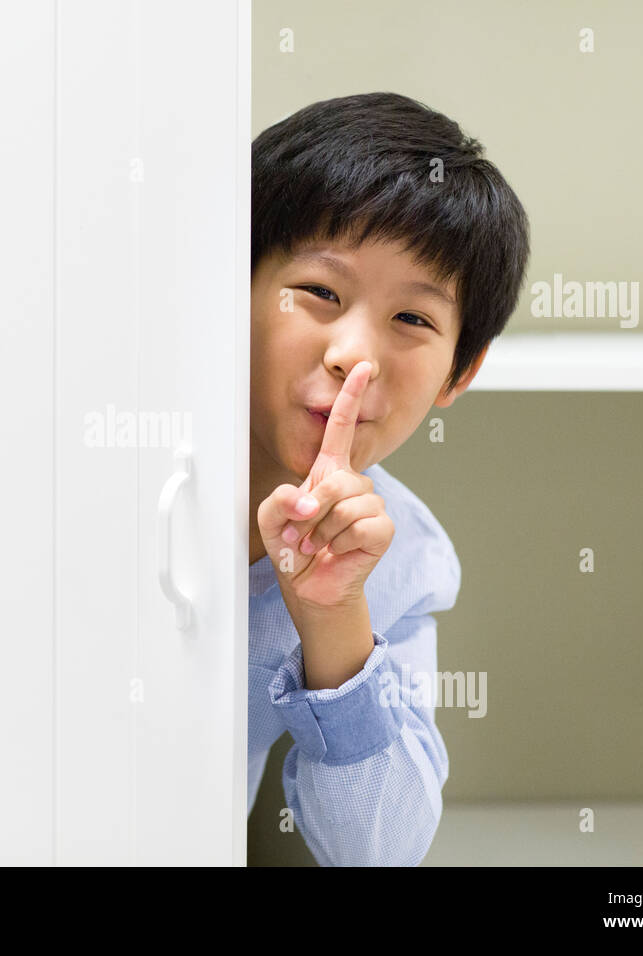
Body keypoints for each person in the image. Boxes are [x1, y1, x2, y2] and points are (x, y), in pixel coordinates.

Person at [247, 92, 530, 865]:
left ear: (459, 372)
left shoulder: (401, 561)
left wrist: (333, 618)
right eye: (320, 293)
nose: (353, 356)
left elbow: (378, 850)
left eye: (413, 320)